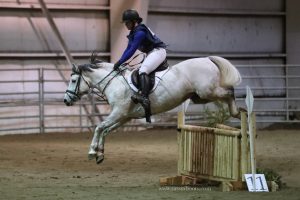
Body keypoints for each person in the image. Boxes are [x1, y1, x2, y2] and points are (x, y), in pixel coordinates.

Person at [114, 9, 167, 123]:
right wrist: (119, 61)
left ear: (134, 22)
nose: (126, 25)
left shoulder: (140, 32)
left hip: (158, 51)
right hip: (151, 53)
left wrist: (120, 62)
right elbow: (127, 49)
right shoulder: (133, 33)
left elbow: (132, 50)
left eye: (127, 22)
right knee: (138, 71)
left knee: (143, 70)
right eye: (126, 23)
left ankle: (144, 97)